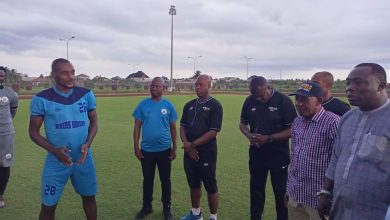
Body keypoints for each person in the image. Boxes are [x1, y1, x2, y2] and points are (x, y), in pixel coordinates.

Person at [318, 63, 390, 220]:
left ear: (381, 85)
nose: (349, 88)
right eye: (348, 82)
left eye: (358, 82)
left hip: (375, 212)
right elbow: (336, 157)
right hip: (340, 208)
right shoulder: (347, 118)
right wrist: (325, 192)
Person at [29, 58, 98, 220]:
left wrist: (88, 143)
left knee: (89, 198)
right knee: (48, 206)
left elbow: (94, 121)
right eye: (65, 73)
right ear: (53, 75)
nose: (70, 76)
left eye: (72, 72)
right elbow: (33, 132)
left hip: (83, 158)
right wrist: (54, 150)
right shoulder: (42, 99)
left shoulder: (86, 95)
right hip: (57, 161)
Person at [239, 76, 297, 220]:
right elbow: (242, 123)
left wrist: (268, 138)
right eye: (255, 96)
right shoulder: (250, 100)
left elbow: (293, 130)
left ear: (268, 88)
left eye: (261, 95)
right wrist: (249, 135)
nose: (258, 99)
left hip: (278, 155)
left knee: (280, 192)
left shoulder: (283, 101)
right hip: (257, 154)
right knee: (256, 189)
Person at [286, 82, 340, 220]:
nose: (299, 103)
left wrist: (329, 195)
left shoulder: (333, 123)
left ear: (319, 101)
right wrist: (289, 188)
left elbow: (339, 162)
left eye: (305, 99)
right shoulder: (297, 122)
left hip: (318, 199)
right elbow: (294, 158)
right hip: (296, 195)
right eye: (297, 99)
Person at [133, 77, 177, 220]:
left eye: (157, 86)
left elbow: (173, 128)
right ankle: (147, 207)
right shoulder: (142, 105)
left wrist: (174, 147)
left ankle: (167, 208)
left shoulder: (169, 106)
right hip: (146, 151)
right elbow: (137, 126)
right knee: (148, 180)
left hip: (165, 150)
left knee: (166, 180)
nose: (154, 88)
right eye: (152, 86)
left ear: (163, 88)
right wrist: (136, 147)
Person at [179, 75, 223, 220]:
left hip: (206, 153)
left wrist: (193, 145)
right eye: (196, 84)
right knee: (194, 183)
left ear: (209, 86)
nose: (197, 87)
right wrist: (187, 145)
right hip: (189, 152)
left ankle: (213, 217)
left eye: (201, 84)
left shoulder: (215, 105)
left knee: (210, 185)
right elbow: (182, 126)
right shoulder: (189, 105)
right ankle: (196, 214)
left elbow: (213, 131)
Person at [0, 66, 18, 208]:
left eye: (1, 75)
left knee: (4, 164)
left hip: (5, 134)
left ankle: (0, 195)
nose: (0, 77)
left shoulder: (11, 94)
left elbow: (12, 112)